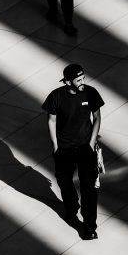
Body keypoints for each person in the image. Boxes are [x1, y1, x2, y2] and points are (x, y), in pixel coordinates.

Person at [42, 64, 104, 240]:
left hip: (86, 148)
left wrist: (92, 143)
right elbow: (51, 120)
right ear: (68, 82)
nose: (83, 82)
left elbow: (97, 117)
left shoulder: (90, 93)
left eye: (83, 78)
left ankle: (90, 226)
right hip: (65, 148)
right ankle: (71, 208)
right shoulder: (56, 97)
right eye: (78, 80)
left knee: (90, 189)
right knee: (64, 181)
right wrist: (55, 145)